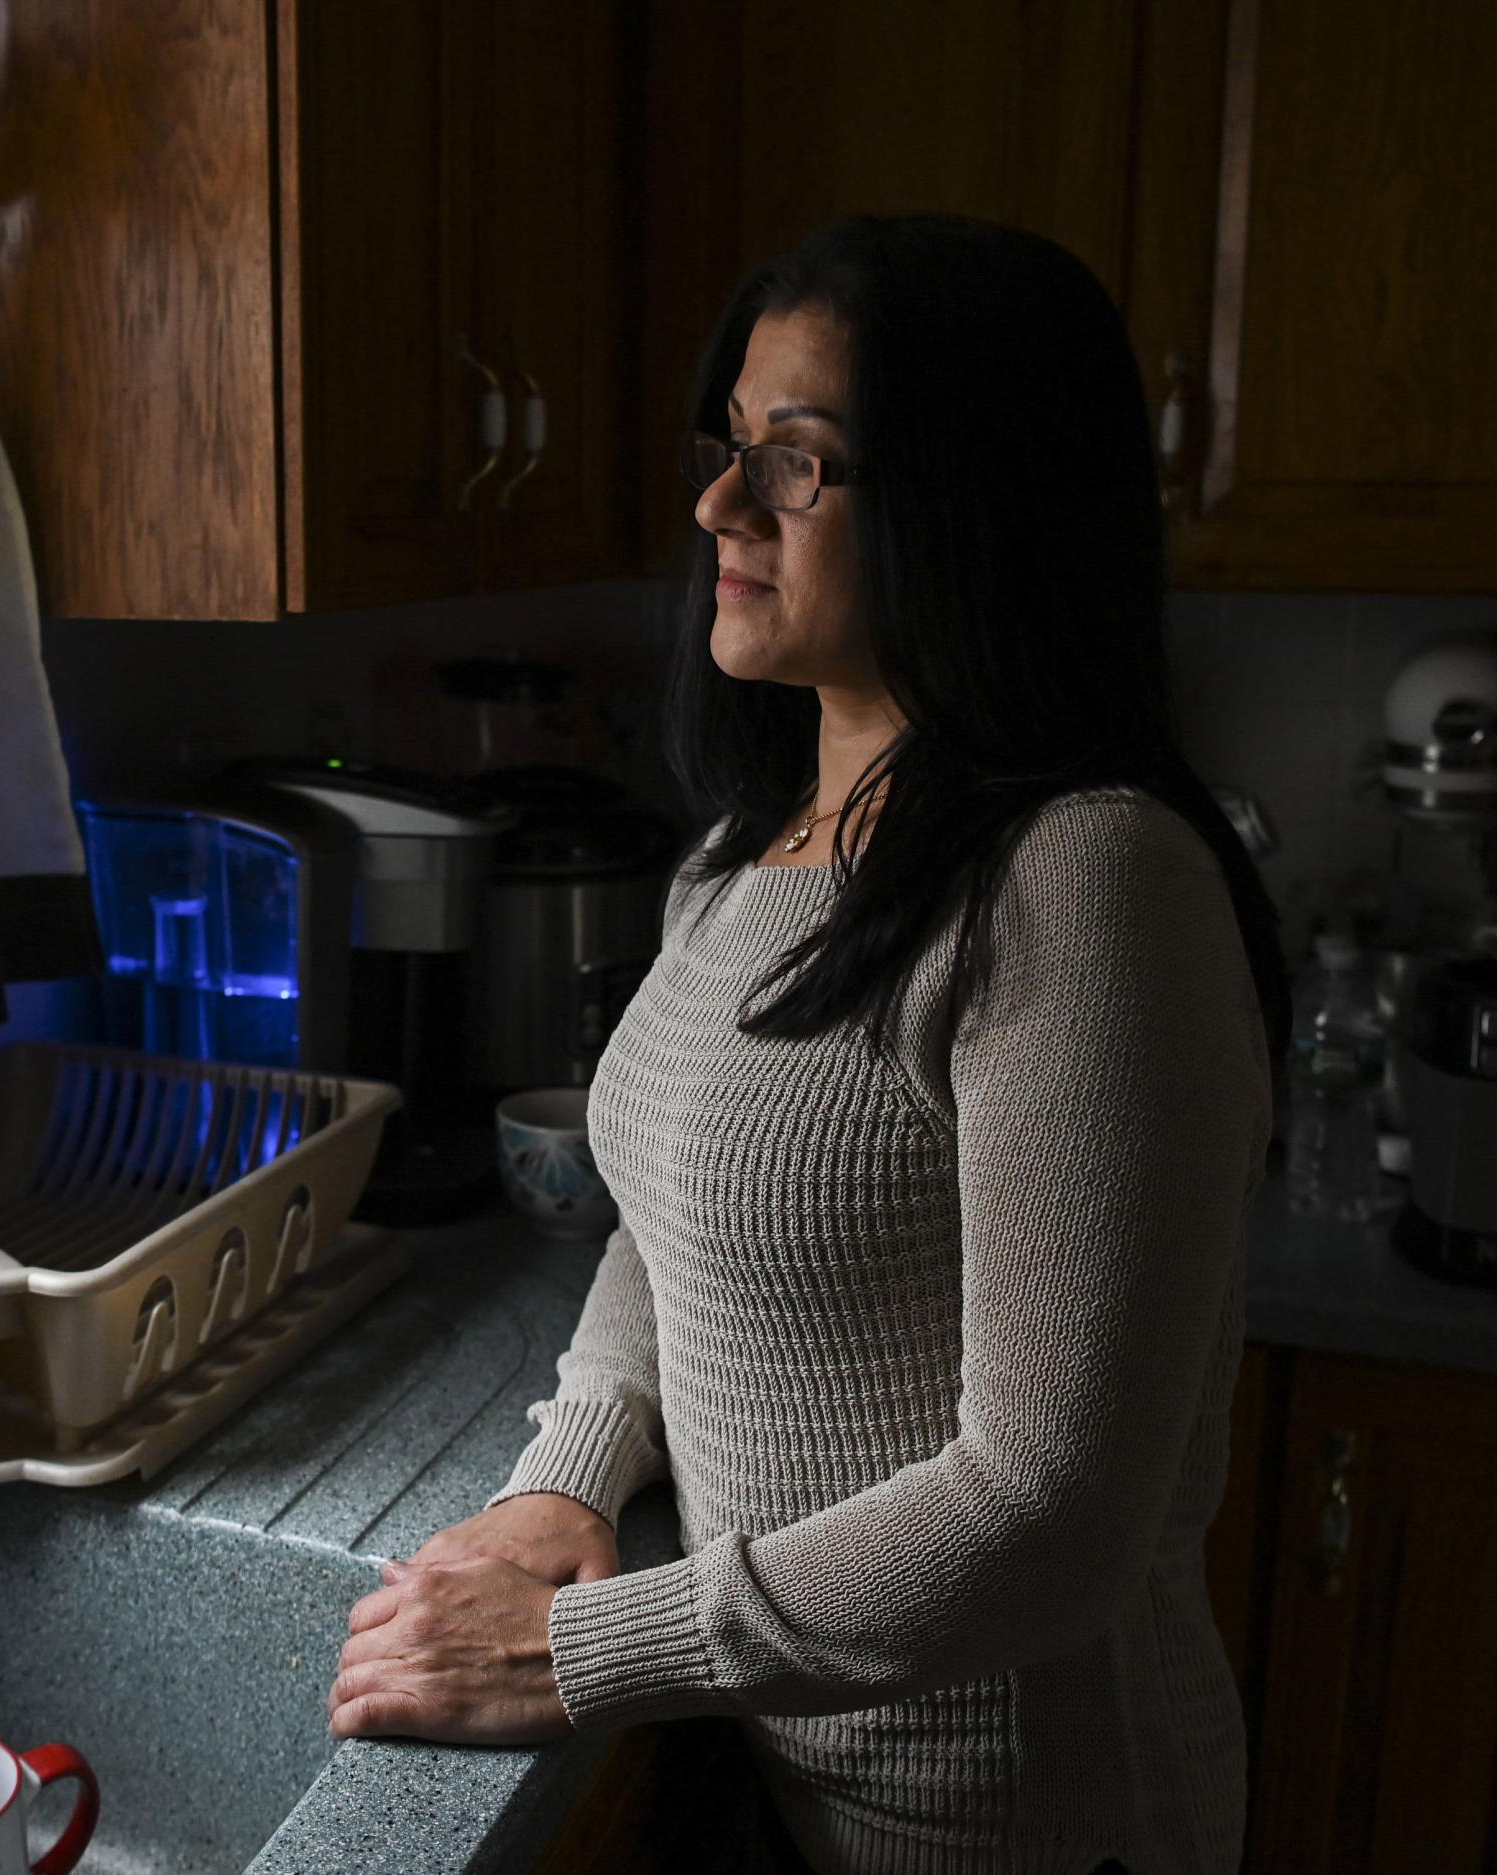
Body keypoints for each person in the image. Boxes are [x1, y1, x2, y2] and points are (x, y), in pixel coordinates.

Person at [325, 213, 1288, 1875]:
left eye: (796, 462)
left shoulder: (1082, 878)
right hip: (781, 1782)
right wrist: (570, 1478)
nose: (717, 505)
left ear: (972, 504)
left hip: (1013, 1834)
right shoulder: (745, 850)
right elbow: (669, 1211)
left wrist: (582, 1651)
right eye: (730, 447)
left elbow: (1049, 1517)